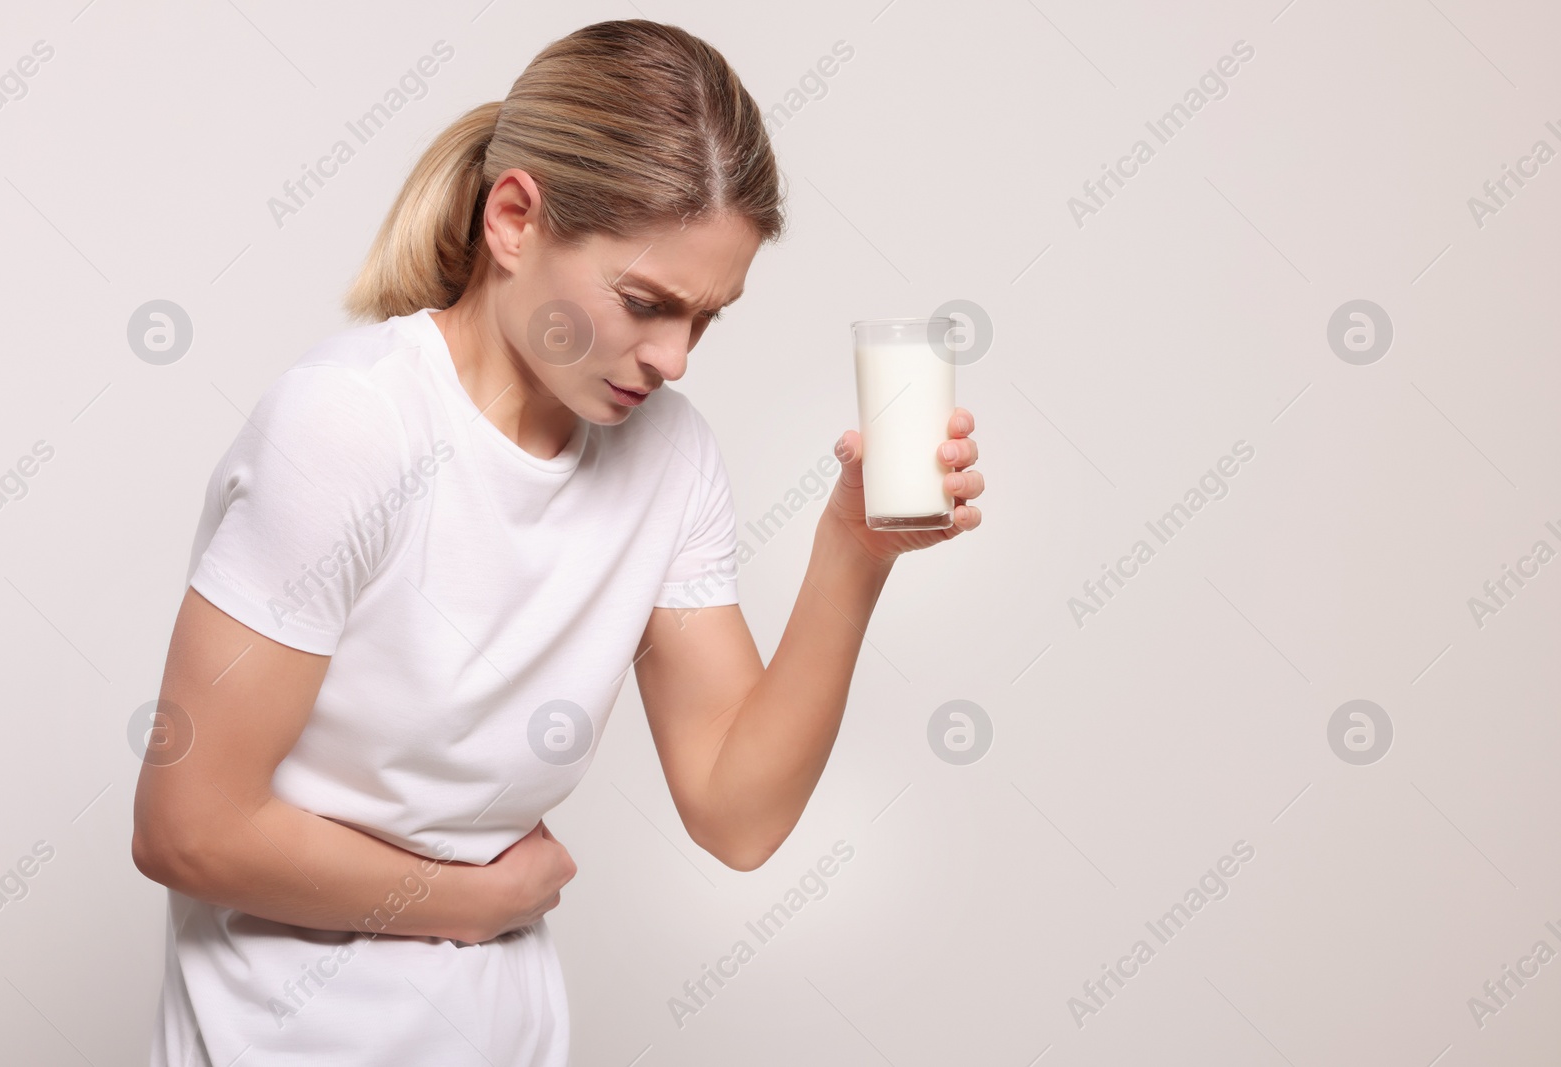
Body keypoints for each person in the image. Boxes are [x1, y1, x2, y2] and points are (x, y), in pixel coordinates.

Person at [131, 17, 984, 1067]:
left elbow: (737, 812)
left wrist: (854, 552)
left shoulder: (668, 458)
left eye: (707, 318)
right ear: (515, 219)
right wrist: (476, 899)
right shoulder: (350, 425)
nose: (673, 357)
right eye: (644, 303)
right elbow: (187, 826)